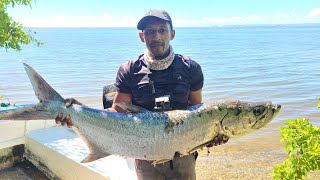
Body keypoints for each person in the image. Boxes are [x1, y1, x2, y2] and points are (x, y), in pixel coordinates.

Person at [56, 9, 228, 180]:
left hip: (182, 153)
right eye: (150, 32)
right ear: (142, 37)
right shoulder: (129, 70)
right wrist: (79, 112)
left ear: (172, 34)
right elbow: (118, 113)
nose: (156, 36)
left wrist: (212, 133)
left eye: (162, 30)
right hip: (144, 152)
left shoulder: (191, 68)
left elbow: (198, 111)